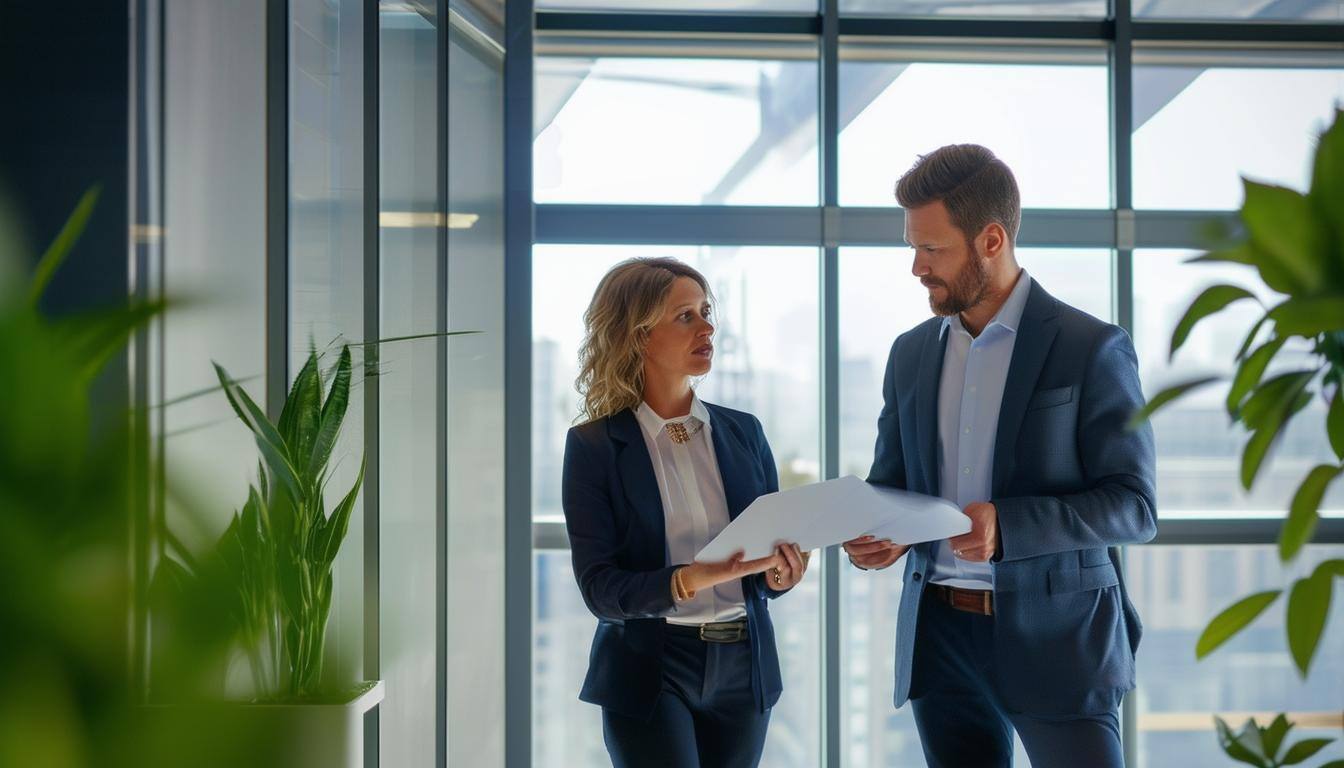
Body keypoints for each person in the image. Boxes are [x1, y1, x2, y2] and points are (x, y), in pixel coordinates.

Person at [843, 144, 1157, 767]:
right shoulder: (909, 354)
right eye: (913, 247)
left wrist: (1007, 526)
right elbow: (893, 483)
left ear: (991, 239)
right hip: (941, 641)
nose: (916, 268)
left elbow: (1134, 506)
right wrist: (883, 533)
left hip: (1060, 640)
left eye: (932, 249)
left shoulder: (1091, 347)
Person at [562, 256, 811, 768]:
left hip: (745, 665)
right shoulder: (594, 447)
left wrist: (783, 573)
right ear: (638, 336)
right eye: (685, 316)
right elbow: (600, 590)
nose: (708, 326)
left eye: (705, 311)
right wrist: (686, 580)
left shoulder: (745, 432)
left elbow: (761, 573)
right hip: (652, 666)